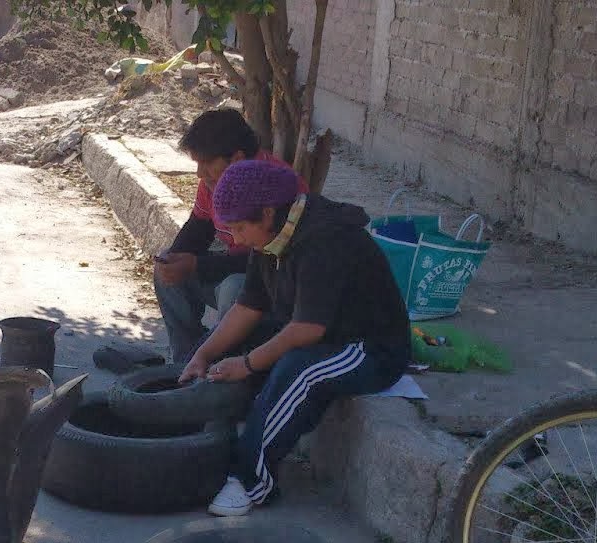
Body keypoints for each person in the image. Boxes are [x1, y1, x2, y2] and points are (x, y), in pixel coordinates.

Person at [179, 159, 412, 517]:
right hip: (319, 334)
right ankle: (209, 442)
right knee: (243, 342)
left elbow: (307, 330)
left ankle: (249, 480)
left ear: (268, 213)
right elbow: (247, 308)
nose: (237, 240)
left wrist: (246, 364)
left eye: (240, 228)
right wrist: (203, 355)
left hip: (368, 347)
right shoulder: (271, 237)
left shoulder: (326, 239)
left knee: (299, 369)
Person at [154, 109, 304, 365]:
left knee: (235, 288)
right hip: (236, 267)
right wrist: (174, 258)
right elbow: (199, 226)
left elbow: (266, 261)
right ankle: (185, 362)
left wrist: (197, 265)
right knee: (167, 273)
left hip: (271, 288)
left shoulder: (276, 187)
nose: (200, 173)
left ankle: (223, 365)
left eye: (206, 163)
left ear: (236, 159)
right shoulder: (214, 182)